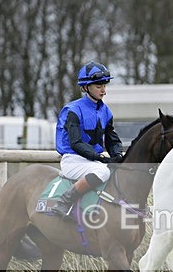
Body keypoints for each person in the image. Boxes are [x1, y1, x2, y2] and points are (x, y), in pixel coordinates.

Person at [51, 61, 124, 219]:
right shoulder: (73, 110)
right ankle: (64, 202)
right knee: (103, 171)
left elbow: (112, 139)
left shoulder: (106, 111)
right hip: (74, 160)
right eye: (99, 86)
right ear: (85, 87)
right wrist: (100, 157)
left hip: (92, 161)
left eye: (104, 85)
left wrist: (118, 154)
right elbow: (76, 143)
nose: (103, 90)